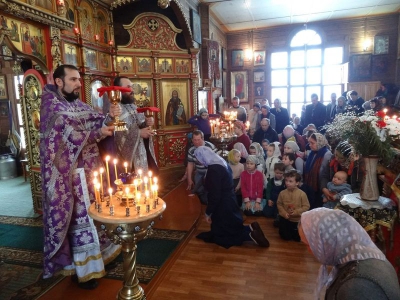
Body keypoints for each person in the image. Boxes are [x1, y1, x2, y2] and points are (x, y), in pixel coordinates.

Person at [40, 64, 122, 289]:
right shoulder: (52, 107)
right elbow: (67, 137)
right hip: (71, 179)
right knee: (80, 222)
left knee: (96, 218)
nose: (78, 84)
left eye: (79, 79)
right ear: (59, 81)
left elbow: (94, 120)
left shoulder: (76, 103)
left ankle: (100, 259)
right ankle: (83, 270)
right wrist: (98, 133)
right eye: (74, 79)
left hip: (91, 173)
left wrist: (108, 119)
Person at [299, 208, 400, 300]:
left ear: (327, 241)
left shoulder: (358, 287)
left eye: (309, 245)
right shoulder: (357, 257)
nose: (309, 251)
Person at [194, 146, 270, 248]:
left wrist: (208, 212)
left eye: (198, 158)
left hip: (222, 204)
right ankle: (251, 227)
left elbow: (215, 195)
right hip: (230, 199)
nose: (198, 161)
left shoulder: (213, 170)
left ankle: (250, 235)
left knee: (226, 232)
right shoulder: (221, 162)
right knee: (232, 224)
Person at [113, 76, 158, 174]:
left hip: (143, 152)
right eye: (128, 87)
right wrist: (138, 133)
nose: (132, 90)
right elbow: (118, 134)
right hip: (130, 159)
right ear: (119, 90)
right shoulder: (115, 109)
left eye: (132, 87)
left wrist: (147, 123)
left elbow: (140, 125)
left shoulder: (134, 106)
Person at [277, 170, 310, 241]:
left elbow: (306, 206)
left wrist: (296, 212)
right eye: (286, 180)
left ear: (297, 183)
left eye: (290, 181)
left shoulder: (302, 194)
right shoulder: (282, 193)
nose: (287, 183)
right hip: (286, 218)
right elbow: (279, 204)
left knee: (297, 238)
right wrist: (284, 213)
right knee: (285, 237)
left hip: (297, 220)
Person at [186, 130, 217, 204]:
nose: (196, 142)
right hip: (199, 172)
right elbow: (190, 164)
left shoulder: (210, 147)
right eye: (195, 140)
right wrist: (189, 179)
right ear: (192, 140)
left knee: (210, 189)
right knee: (199, 190)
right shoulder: (191, 150)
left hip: (210, 172)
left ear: (203, 139)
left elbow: (216, 162)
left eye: (198, 140)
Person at [303, 133, 332, 208]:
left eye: (312, 143)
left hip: (319, 186)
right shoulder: (312, 153)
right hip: (310, 186)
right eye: (309, 143)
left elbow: (324, 172)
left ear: (319, 142)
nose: (310, 145)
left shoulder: (326, 154)